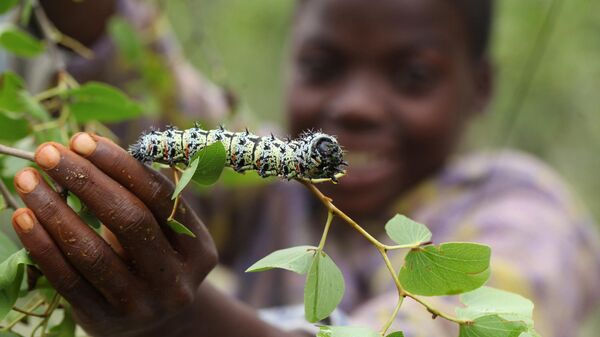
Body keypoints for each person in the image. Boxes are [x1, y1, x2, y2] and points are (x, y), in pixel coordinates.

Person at [8, 0, 600, 336]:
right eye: (322, 66)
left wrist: (189, 322)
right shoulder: (279, 185)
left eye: (412, 76)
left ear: (481, 88)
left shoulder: (528, 218)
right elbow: (151, 90)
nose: (357, 106)